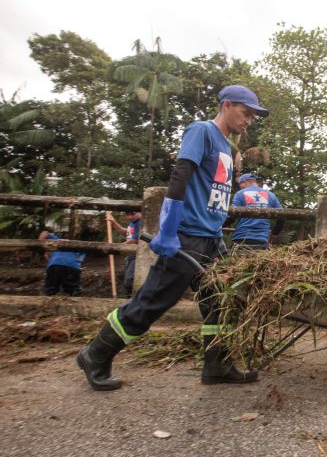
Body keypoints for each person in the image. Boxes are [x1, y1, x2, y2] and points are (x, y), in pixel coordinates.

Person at [77, 84, 269, 391]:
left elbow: (213, 197)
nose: (248, 121)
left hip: (210, 238)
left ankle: (216, 363)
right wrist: (167, 232)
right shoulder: (201, 131)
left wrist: (217, 232)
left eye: (252, 117)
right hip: (187, 236)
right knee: (154, 301)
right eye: (245, 113)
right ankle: (96, 354)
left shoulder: (227, 148)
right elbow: (180, 178)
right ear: (227, 105)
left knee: (221, 300)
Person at [230, 173, 284, 251]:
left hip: (241, 238)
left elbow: (232, 216)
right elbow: (282, 217)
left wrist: (219, 226)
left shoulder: (240, 194)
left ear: (244, 182)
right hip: (262, 240)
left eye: (240, 184)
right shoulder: (271, 195)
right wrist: (274, 233)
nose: (240, 187)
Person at [38, 230, 86, 296]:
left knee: (50, 290)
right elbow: (80, 260)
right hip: (71, 266)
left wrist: (41, 247)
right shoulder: (79, 245)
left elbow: (44, 233)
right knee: (73, 290)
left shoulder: (56, 240)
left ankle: (49, 299)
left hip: (55, 264)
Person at [106, 211, 142, 297]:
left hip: (136, 256)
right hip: (130, 255)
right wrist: (114, 223)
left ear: (140, 212)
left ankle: (129, 298)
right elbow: (126, 233)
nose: (129, 217)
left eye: (132, 214)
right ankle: (128, 297)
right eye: (127, 214)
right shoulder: (132, 223)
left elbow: (135, 240)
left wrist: (119, 247)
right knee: (128, 279)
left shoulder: (140, 223)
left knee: (130, 279)